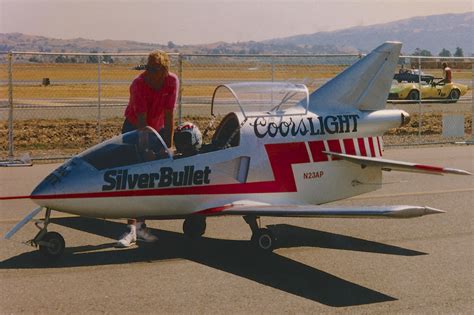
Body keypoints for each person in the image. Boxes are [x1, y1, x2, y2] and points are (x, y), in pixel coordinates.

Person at [116, 50, 179, 248]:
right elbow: (142, 123)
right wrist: (145, 152)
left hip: (157, 128)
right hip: (135, 128)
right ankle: (130, 229)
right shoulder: (138, 85)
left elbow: (169, 116)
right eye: (148, 68)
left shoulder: (171, 82)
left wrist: (167, 148)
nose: (149, 73)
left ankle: (141, 227)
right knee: (133, 176)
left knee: (149, 178)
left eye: (154, 69)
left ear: (164, 71)